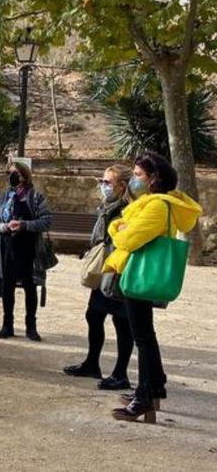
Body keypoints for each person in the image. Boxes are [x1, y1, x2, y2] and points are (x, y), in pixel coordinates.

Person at [106, 152, 200, 423]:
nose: (133, 180)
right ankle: (154, 385)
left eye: (137, 176)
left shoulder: (157, 207)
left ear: (153, 179)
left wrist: (116, 228)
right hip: (141, 275)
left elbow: (129, 239)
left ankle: (146, 395)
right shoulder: (155, 204)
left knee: (143, 337)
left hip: (140, 276)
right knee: (145, 334)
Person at [63, 165, 134, 390]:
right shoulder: (109, 206)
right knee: (94, 315)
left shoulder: (126, 209)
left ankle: (120, 373)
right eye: (102, 182)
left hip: (118, 270)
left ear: (121, 186)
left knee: (122, 322)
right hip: (106, 269)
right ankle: (92, 363)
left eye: (107, 182)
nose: (103, 186)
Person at [0, 161, 53, 341]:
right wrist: (4, 226)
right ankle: (7, 325)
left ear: (25, 175)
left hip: (29, 249)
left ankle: (31, 326)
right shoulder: (2, 198)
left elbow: (46, 221)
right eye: (9, 173)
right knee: (6, 287)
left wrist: (24, 225)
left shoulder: (36, 197)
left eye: (15, 173)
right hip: (7, 248)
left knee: (30, 287)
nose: (12, 176)